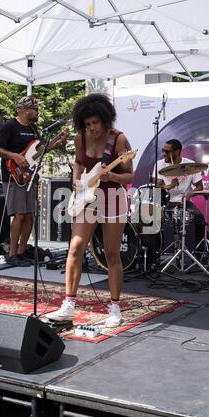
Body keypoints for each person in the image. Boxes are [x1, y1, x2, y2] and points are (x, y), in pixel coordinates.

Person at [47, 93, 134, 328]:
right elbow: (78, 162)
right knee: (75, 247)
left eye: (95, 123)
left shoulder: (119, 140)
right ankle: (68, 305)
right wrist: (76, 179)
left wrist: (112, 175)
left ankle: (115, 307)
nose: (92, 128)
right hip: (86, 198)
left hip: (113, 197)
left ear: (105, 120)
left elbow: (129, 174)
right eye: (87, 124)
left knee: (112, 254)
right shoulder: (80, 138)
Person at [0, 95, 61, 267]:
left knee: (30, 215)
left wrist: (53, 144)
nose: (37, 112)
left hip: (30, 175)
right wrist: (14, 155)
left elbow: (36, 153)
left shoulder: (33, 128)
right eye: (35, 109)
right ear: (25, 110)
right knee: (19, 215)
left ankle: (22, 252)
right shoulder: (10, 126)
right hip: (13, 175)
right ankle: (12, 253)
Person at [156, 138, 205, 254]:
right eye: (163, 151)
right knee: (151, 219)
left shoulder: (190, 165)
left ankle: (200, 254)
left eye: (167, 152)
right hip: (165, 202)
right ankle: (155, 255)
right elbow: (157, 186)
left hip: (184, 202)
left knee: (200, 220)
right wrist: (170, 186)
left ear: (177, 152)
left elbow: (200, 186)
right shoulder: (159, 164)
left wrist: (189, 195)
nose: (164, 154)